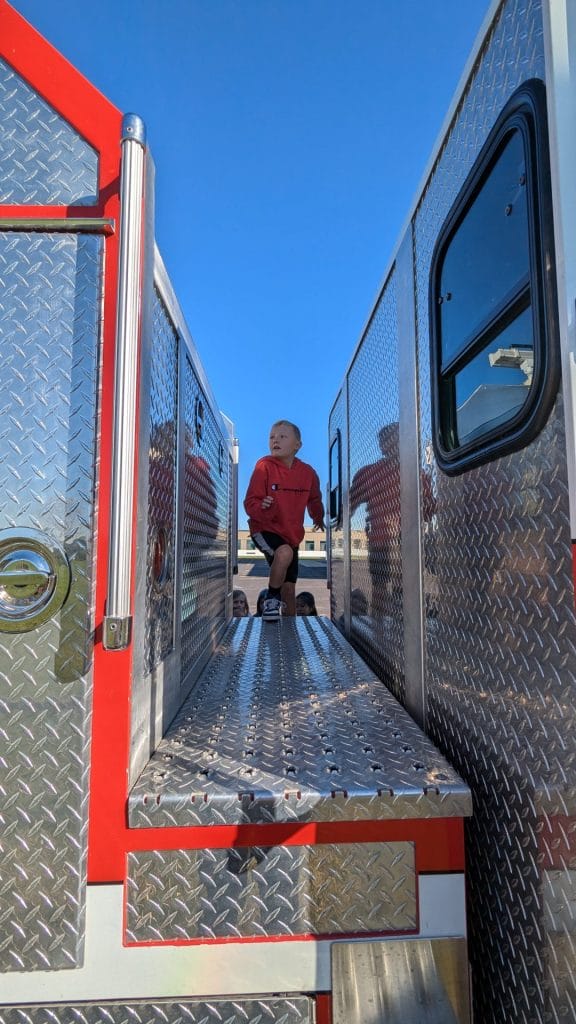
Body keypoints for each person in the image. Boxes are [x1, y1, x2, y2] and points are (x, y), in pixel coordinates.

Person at [244, 420, 325, 621]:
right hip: (264, 527)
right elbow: (250, 501)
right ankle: (271, 600)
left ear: (297, 445)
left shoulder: (308, 474)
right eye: (272, 437)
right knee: (284, 552)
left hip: (291, 535)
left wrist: (318, 517)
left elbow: (315, 498)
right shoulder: (264, 466)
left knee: (289, 588)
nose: (275, 440)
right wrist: (261, 506)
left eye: (282, 436)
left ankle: (290, 630)